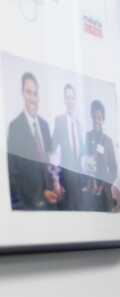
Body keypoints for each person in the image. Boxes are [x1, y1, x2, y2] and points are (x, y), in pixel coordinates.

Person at [7, 71, 61, 211]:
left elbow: (51, 162)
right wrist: (40, 195)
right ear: (22, 94)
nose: (32, 98)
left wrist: (56, 182)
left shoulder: (44, 125)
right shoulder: (15, 127)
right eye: (28, 92)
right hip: (31, 207)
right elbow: (13, 175)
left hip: (52, 204)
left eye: (35, 93)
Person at [52, 83, 87, 211]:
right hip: (65, 182)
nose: (70, 101)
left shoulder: (78, 125)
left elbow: (82, 153)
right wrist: (55, 179)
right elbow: (53, 151)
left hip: (79, 183)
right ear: (64, 100)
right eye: (67, 97)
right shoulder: (59, 121)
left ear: (75, 100)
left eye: (72, 97)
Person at [83, 99, 120, 212]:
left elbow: (114, 168)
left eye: (99, 118)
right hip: (89, 193)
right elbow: (81, 162)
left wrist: (105, 183)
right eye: (94, 117)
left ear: (103, 119)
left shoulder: (108, 141)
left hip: (105, 194)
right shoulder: (86, 137)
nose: (96, 121)